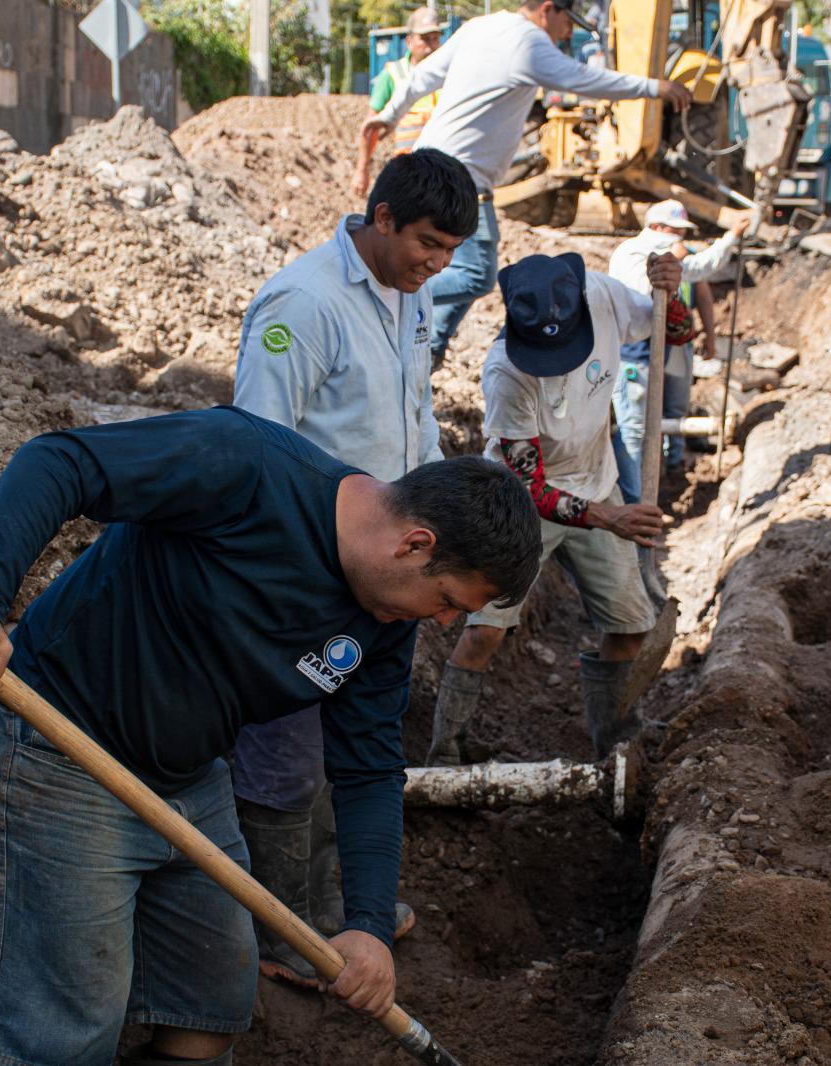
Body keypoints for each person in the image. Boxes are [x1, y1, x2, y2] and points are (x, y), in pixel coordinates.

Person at [0, 410, 541, 1066]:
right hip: (61, 748)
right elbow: (60, 463)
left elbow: (368, 766)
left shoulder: (385, 620)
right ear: (414, 544)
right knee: (64, 1030)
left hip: (187, 776)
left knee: (211, 1000)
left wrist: (367, 927)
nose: (447, 622)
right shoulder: (245, 467)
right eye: (449, 600)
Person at [230, 148, 476, 990]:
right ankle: (276, 924)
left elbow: (415, 418)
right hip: (312, 571)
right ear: (381, 218)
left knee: (355, 741)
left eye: (450, 251)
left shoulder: (411, 295)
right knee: (285, 749)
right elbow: (257, 453)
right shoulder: (304, 305)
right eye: (428, 243)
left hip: (391, 563)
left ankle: (338, 903)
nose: (437, 264)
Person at [427, 250, 683, 766]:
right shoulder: (506, 373)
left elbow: (671, 332)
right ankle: (444, 753)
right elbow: (532, 488)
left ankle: (616, 745)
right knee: (483, 632)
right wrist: (610, 517)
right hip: (515, 506)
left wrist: (671, 291)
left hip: (598, 481)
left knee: (631, 626)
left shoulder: (605, 297)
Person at [361, 0, 695, 362]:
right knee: (476, 275)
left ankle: (429, 347)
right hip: (460, 178)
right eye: (569, 19)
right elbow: (585, 79)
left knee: (461, 268)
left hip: (435, 166)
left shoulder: (480, 27)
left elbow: (423, 76)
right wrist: (654, 87)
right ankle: (380, 296)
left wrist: (389, 114)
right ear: (547, 9)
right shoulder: (529, 42)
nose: (569, 30)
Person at [606, 200, 748, 496]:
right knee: (633, 432)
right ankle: (635, 503)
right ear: (656, 228)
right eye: (674, 230)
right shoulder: (633, 254)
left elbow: (701, 273)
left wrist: (731, 237)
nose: (679, 238)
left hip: (667, 348)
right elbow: (640, 298)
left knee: (670, 413)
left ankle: (670, 478)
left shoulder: (674, 256)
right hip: (633, 356)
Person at [351, 7, 443, 198]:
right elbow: (371, 127)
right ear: (409, 42)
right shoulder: (393, 76)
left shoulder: (448, 76)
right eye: (425, 39)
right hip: (409, 174)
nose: (431, 45)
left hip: (443, 174)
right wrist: (362, 170)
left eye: (435, 38)